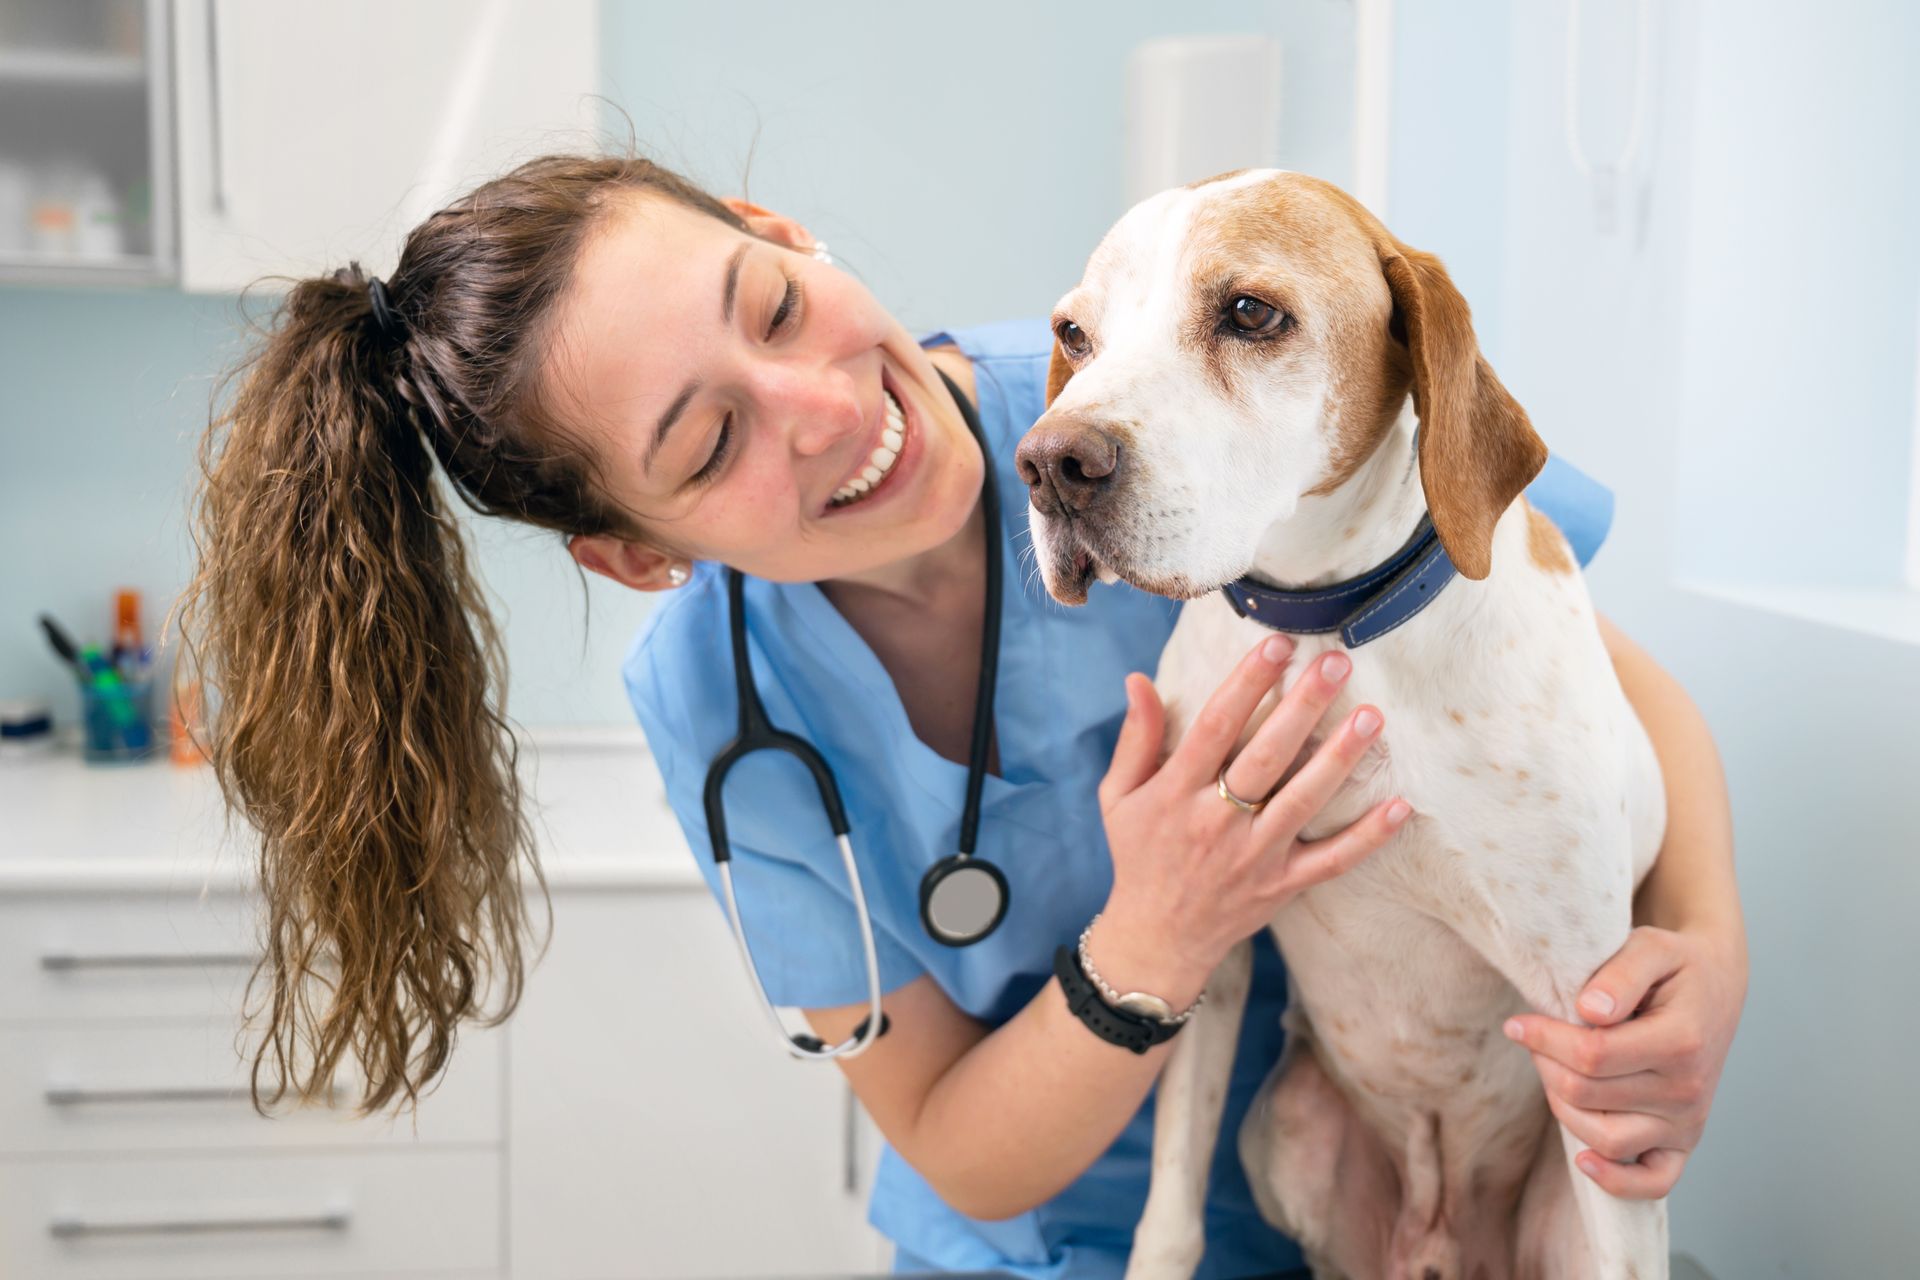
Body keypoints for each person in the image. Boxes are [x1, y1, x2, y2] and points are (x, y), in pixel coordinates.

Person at [184, 153, 1748, 1279]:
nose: (823, 405)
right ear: (637, 554)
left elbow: (1585, 686)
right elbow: (950, 1135)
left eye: (775, 304)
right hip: (1031, 1245)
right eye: (713, 436)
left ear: (783, 228)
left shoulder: (1119, 409)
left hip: (1300, 1211)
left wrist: (1706, 961)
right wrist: (1163, 930)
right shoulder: (726, 710)